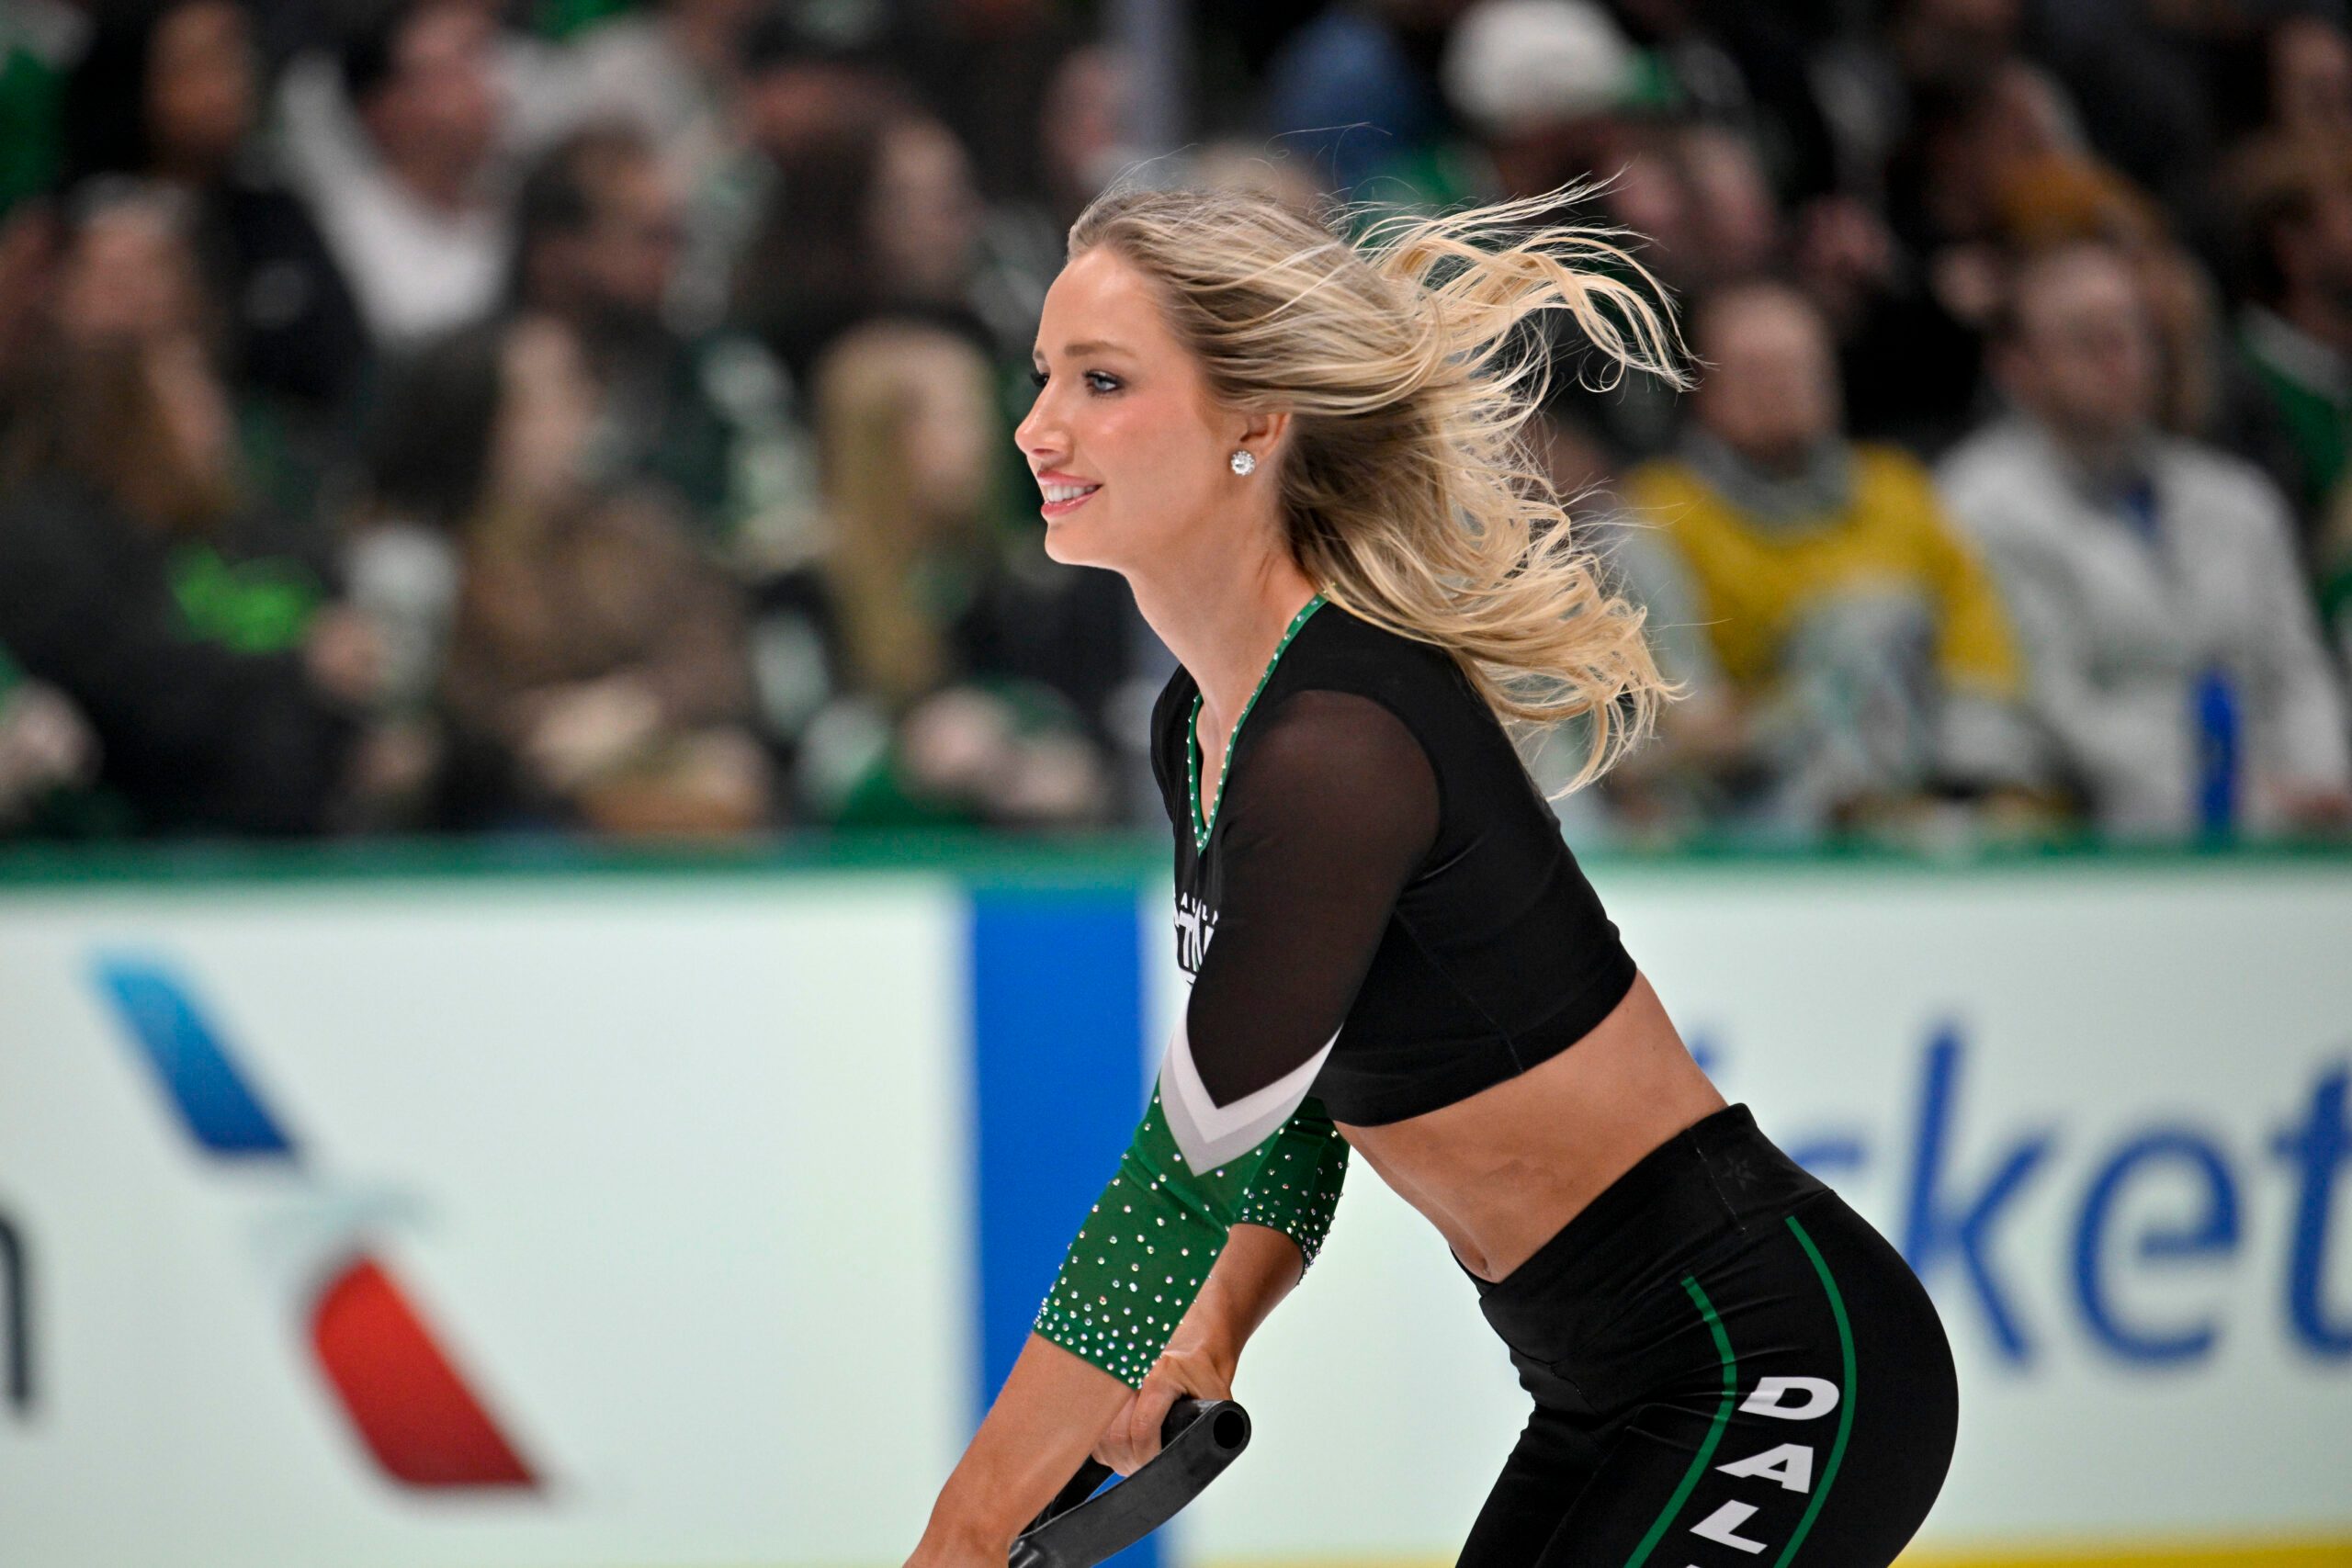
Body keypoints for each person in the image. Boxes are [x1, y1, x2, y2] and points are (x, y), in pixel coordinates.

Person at [905, 185, 1959, 1568]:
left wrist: (966, 1534)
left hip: (1767, 1361)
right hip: (1607, 1392)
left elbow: (1179, 1173)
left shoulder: (1336, 746)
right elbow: (1279, 1111)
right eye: (1043, 376)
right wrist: (1218, 1318)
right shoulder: (1207, 723)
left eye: (1102, 381)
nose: (1040, 426)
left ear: (1255, 423)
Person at [1939, 239, 2352, 838]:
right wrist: (2239, 802)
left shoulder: (2239, 501)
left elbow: (2296, 675)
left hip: (2286, 821)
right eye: (2088, 338)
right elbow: (2056, 706)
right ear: (2017, 367)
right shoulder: (1978, 505)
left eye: (2133, 334)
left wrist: (2321, 788)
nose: (2120, 357)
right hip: (2101, 834)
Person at [1623, 280, 2038, 837]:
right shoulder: (1653, 519)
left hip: (1921, 804)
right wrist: (1824, 690)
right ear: (1702, 389)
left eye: (1798, 368)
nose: (1779, 388)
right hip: (1738, 814)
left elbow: (1979, 665)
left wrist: (1984, 789)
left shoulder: (1901, 493)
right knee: (1867, 623)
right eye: (1754, 370)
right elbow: (1689, 729)